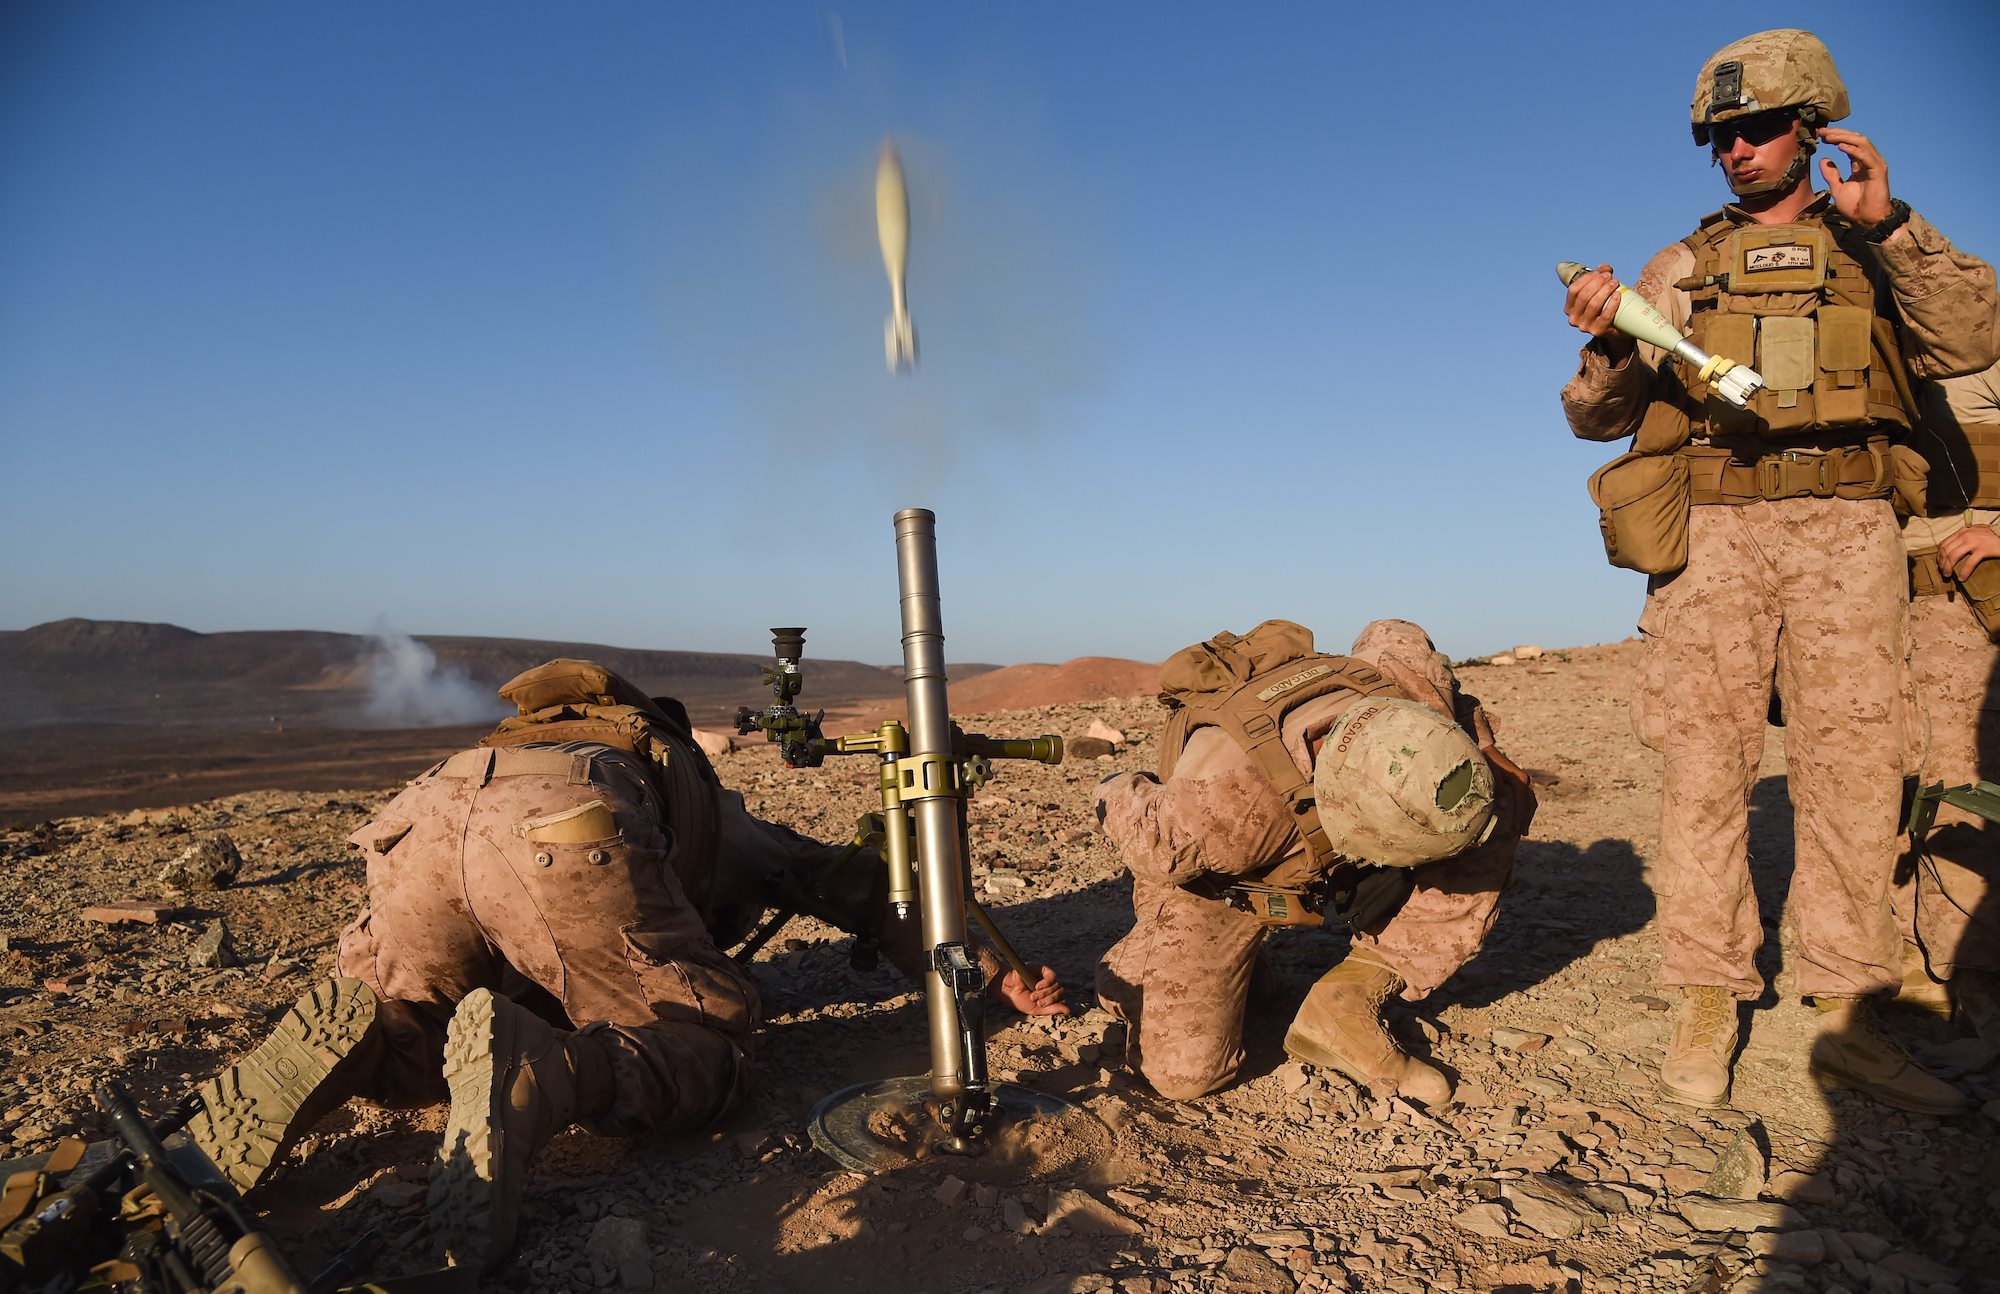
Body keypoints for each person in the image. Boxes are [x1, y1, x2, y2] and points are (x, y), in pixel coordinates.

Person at [187, 658, 1065, 1273]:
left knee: (415, 1036)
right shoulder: (694, 795)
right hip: (560, 823)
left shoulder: (524, 738)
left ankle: (362, 1038)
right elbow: (855, 887)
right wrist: (993, 973)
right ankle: (546, 1068)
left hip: (418, 814)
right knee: (709, 1040)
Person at [1559, 30, 1997, 1112]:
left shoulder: (1872, 245)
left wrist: (1889, 224)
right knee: (1703, 768)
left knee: (1852, 772)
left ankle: (1848, 1006)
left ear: (1811, 130)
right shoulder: (1679, 266)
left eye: (1756, 130)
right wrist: (1606, 343)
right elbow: (1589, 416)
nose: (1736, 152)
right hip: (1713, 533)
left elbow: (1969, 336)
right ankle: (1707, 986)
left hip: (1849, 530)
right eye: (1720, 138)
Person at [1093, 619, 1531, 1105]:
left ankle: (1344, 1005)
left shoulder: (1413, 689)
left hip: (1292, 832)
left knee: (1498, 803)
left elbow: (1392, 632)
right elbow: (1140, 831)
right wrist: (1120, 782)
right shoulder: (1218, 817)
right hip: (1229, 884)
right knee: (1185, 1076)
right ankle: (1141, 965)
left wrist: (1486, 747)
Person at [1895, 358, 2000, 1038]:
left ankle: (1973, 971)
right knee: (1879, 782)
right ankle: (1901, 957)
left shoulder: (1976, 341)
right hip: (1866, 604)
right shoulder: (1846, 335)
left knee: (1963, 788)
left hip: (1961, 600)